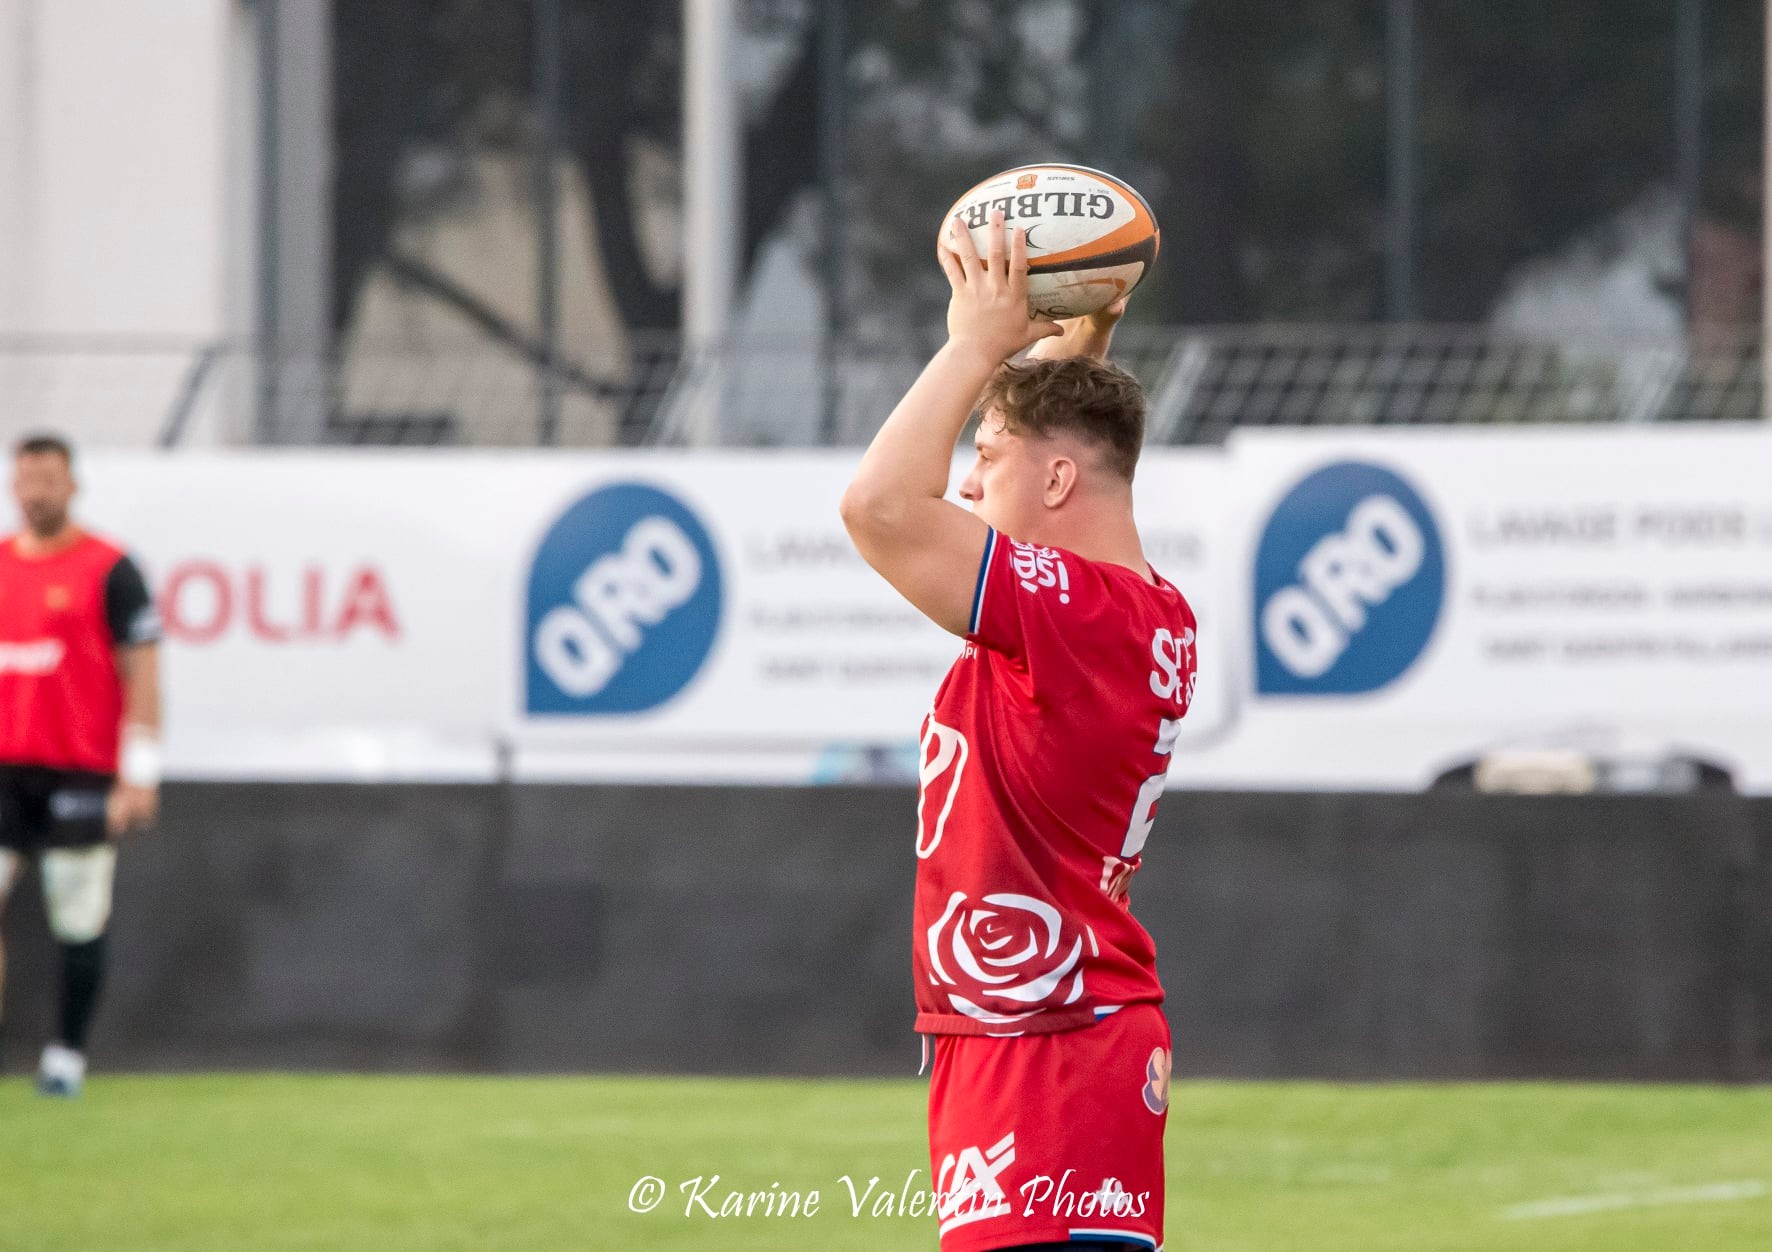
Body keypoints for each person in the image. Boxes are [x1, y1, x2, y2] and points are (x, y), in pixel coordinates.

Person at [840, 212, 1197, 1252]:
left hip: (1043, 1041)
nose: (963, 476)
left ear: (1051, 484)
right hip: (1047, 1028)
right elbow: (1056, 449)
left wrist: (974, 342)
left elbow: (877, 507)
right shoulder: (1139, 609)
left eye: (984, 457)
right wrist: (1073, 335)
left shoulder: (1077, 612)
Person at [0, 433, 162, 1097]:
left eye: (49, 479)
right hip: (5, 769)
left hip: (80, 771)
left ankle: (66, 1054)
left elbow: (143, 670)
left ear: (72, 485)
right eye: (26, 479)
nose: (37, 491)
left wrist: (140, 770)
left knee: (76, 915)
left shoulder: (110, 569)